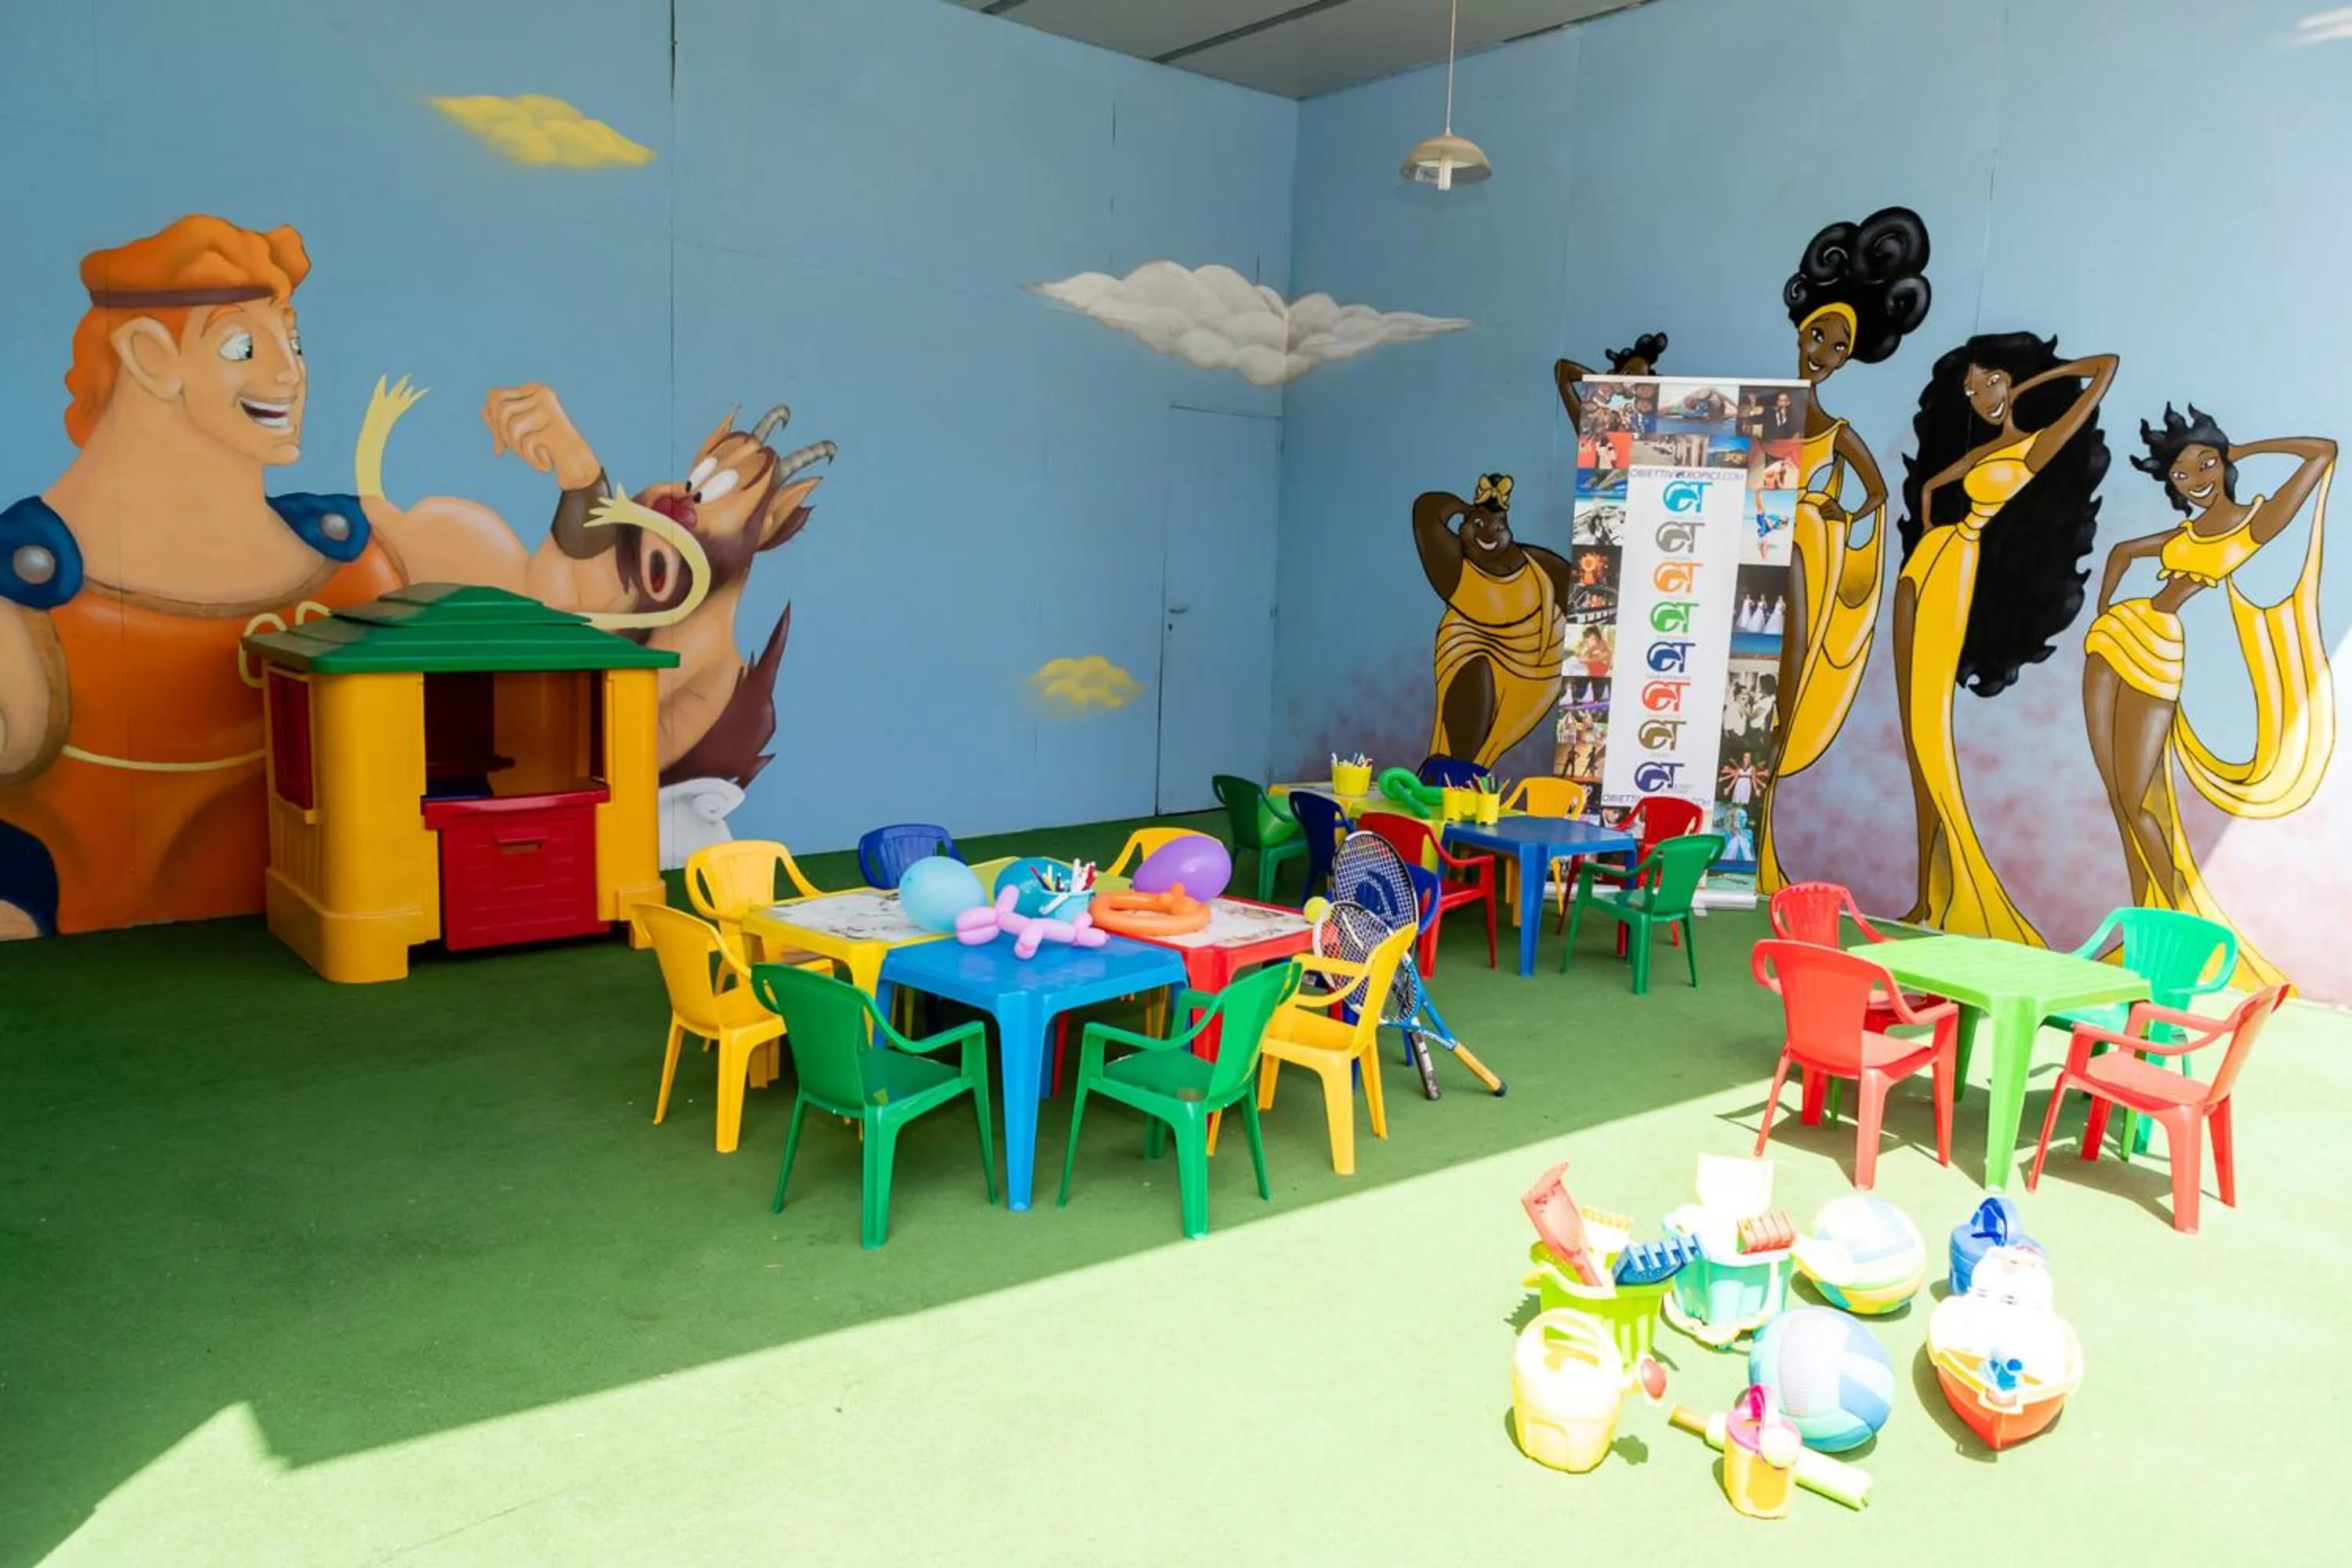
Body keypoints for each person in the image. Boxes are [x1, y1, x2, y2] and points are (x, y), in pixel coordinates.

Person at [2082, 406, 2334, 986]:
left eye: (2206, 463)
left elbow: (2321, 453)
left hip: (2159, 650)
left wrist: (2242, 449)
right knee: (2120, 800)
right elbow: (2120, 553)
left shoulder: (2256, 522)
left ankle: (2175, 931)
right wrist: (2104, 615)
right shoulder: (2183, 533)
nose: (2195, 479)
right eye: (2180, 475)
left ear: (2222, 462)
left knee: (2140, 799)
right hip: (2116, 638)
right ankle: (2144, 930)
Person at [1895, 333, 2116, 942]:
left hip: (1958, 565)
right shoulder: (1989, 446)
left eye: (1988, 380)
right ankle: (1925, 894)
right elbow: (1934, 485)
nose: (1979, 395)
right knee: (1912, 727)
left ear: (2012, 379)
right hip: (1932, 558)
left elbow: (2105, 367)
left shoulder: (2038, 446)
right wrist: (1935, 525)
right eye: (1969, 388)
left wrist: (2035, 381)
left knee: (1930, 727)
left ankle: (1956, 889)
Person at [1759, 206, 1933, 892]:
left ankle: (1772, 764)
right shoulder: (1753, 410)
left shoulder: (1834, 430)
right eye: (1818, 337)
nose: (1822, 353)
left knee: (1786, 662)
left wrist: (1830, 508)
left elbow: (1876, 494)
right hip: (1739, 553)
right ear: (1802, 329)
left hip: (1798, 549)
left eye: (1837, 346)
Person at [1416, 474, 1574, 768]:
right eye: (1478, 526)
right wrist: (1467, 508)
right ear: (1464, 528)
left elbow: (1575, 589)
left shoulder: (1534, 564)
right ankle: (1451, 769)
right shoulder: (1455, 567)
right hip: (1468, 644)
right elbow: (1427, 511)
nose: (1488, 534)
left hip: (1531, 662)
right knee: (1474, 683)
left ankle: (1466, 774)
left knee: (1488, 739)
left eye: (1498, 527)